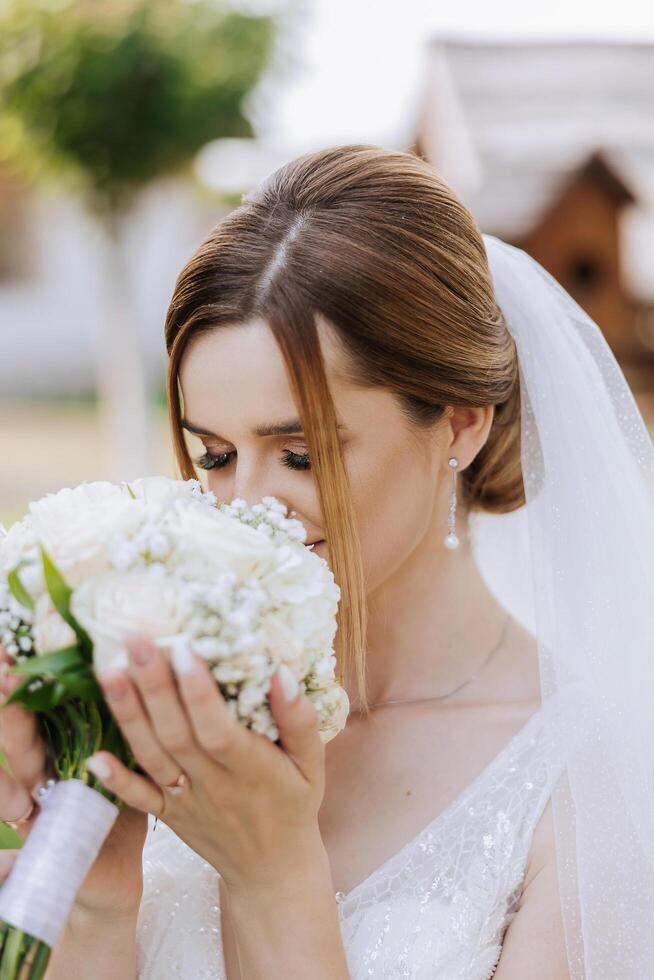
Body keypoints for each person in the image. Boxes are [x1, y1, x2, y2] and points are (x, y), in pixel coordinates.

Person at [1, 143, 652, 979]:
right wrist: (94, 902)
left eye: (303, 456)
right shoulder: (163, 700)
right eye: (214, 455)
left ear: (459, 423)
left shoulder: (596, 794)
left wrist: (273, 881)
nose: (247, 511)